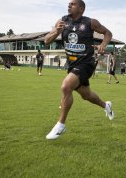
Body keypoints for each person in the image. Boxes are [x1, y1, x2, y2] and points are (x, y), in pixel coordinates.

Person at [44, 0, 114, 140]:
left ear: (81, 8)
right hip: (72, 64)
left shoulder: (90, 22)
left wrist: (103, 44)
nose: (69, 5)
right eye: (69, 3)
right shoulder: (62, 21)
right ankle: (106, 105)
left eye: (73, 4)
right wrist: (57, 31)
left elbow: (108, 33)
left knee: (66, 86)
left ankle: (60, 125)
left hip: (86, 63)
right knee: (86, 95)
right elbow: (46, 40)